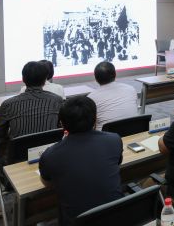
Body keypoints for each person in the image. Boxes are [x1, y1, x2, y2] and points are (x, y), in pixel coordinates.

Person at [39, 96, 123, 226]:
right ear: (95, 119)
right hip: (118, 217)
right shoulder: (114, 140)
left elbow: (47, 183)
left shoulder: (50, 155)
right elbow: (117, 163)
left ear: (62, 124)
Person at [0, 61, 63, 150]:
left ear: (23, 79)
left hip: (18, 155)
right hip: (49, 152)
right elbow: (61, 126)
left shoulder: (8, 104)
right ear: (45, 80)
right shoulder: (57, 101)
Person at [87, 61, 138, 131]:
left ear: (95, 78)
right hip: (134, 132)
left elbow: (90, 125)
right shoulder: (130, 89)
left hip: (107, 136)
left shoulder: (91, 98)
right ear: (115, 74)